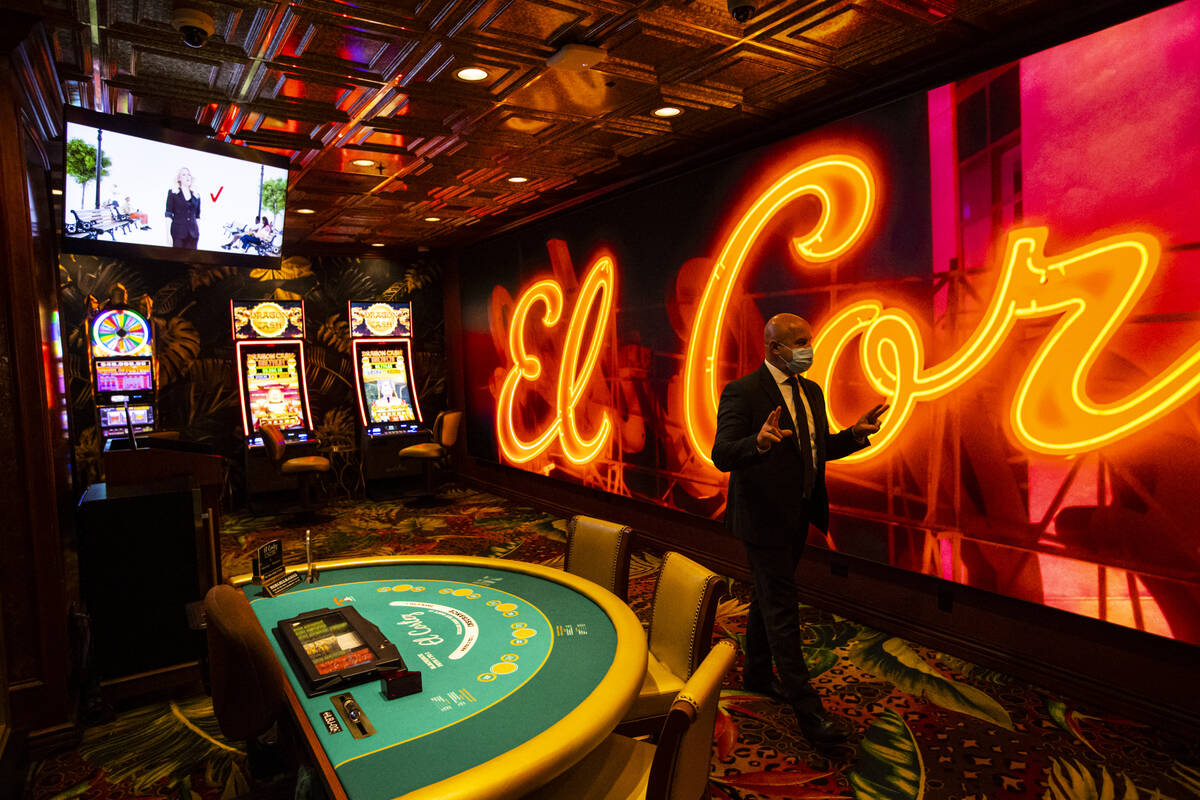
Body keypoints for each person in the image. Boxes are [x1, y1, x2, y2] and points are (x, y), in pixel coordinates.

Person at [711, 312, 887, 746]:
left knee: (769, 597)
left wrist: (854, 435)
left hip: (798, 516)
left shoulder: (812, 391)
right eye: (801, 342)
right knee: (783, 611)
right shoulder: (743, 392)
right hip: (763, 519)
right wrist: (758, 442)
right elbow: (721, 453)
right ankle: (811, 717)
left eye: (810, 339)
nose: (809, 348)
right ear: (774, 348)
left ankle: (755, 673)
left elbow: (816, 447)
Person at [165, 166, 200, 249]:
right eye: (184, 175)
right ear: (179, 178)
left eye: (188, 175)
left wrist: (197, 232)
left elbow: (197, 217)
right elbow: (168, 215)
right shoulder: (173, 193)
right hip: (178, 234)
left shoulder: (196, 195)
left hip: (193, 235)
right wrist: (168, 235)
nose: (187, 177)